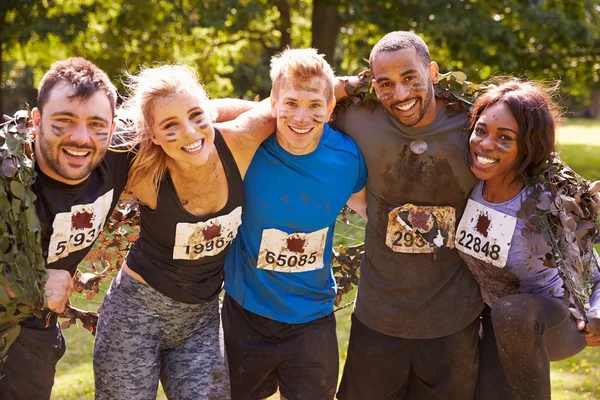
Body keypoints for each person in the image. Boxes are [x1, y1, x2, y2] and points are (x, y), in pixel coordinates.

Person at [92, 64, 274, 400]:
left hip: (200, 320)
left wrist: (350, 87)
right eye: (170, 125)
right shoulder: (142, 172)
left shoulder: (241, 141)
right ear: (153, 135)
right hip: (134, 317)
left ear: (209, 111)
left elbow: (288, 103)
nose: (189, 133)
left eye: (195, 115)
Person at [332, 31, 483, 399]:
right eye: (385, 83)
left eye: (410, 78)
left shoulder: (472, 125)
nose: (399, 95)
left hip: (454, 319)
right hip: (379, 316)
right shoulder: (357, 117)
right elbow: (298, 98)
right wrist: (350, 85)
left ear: (432, 72)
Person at [221, 48, 367, 400]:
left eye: (315, 105)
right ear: (271, 104)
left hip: (312, 316)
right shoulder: (248, 148)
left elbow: (370, 210)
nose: (302, 117)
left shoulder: (347, 159)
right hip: (246, 312)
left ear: (330, 110)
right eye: (290, 104)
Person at [455, 77, 600, 400]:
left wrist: (598, 312)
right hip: (495, 320)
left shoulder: (548, 203)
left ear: (529, 146)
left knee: (513, 312)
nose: (486, 144)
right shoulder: (469, 184)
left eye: (504, 138)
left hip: (554, 322)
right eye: (481, 131)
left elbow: (595, 272)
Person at [0, 57, 130, 400]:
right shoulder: (6, 171)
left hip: (34, 337)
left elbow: (193, 110)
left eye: (97, 124)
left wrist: (280, 111)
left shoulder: (117, 152)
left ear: (114, 128)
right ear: (36, 121)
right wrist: (32, 282)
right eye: (64, 121)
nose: (81, 137)